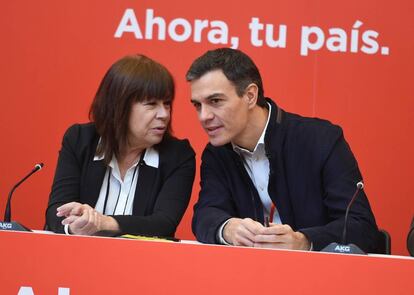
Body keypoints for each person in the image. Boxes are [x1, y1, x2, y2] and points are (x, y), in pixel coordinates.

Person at [187, 48, 380, 252]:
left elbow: (362, 227)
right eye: (197, 105)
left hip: (321, 276)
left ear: (250, 96)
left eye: (215, 101)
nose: (203, 116)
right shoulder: (216, 153)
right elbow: (206, 213)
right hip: (249, 275)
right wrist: (228, 229)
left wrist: (304, 241)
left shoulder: (321, 139)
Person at [46, 54, 195, 237]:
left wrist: (103, 222)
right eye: (151, 104)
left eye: (167, 104)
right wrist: (73, 225)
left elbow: (163, 224)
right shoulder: (79, 140)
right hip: (74, 258)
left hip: (141, 262)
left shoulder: (178, 156)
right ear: (119, 106)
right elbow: (57, 211)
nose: (164, 114)